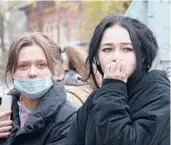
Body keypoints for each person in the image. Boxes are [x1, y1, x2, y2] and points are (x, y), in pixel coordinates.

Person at [64, 14, 170, 145]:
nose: (116, 57)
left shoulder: (160, 95)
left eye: (127, 49)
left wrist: (114, 86)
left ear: (141, 55)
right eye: (107, 49)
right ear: (97, 56)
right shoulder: (97, 99)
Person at [0, 32, 76, 145]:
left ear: (52, 70)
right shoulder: (4, 110)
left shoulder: (69, 118)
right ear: (12, 72)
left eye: (41, 65)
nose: (32, 73)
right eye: (23, 66)